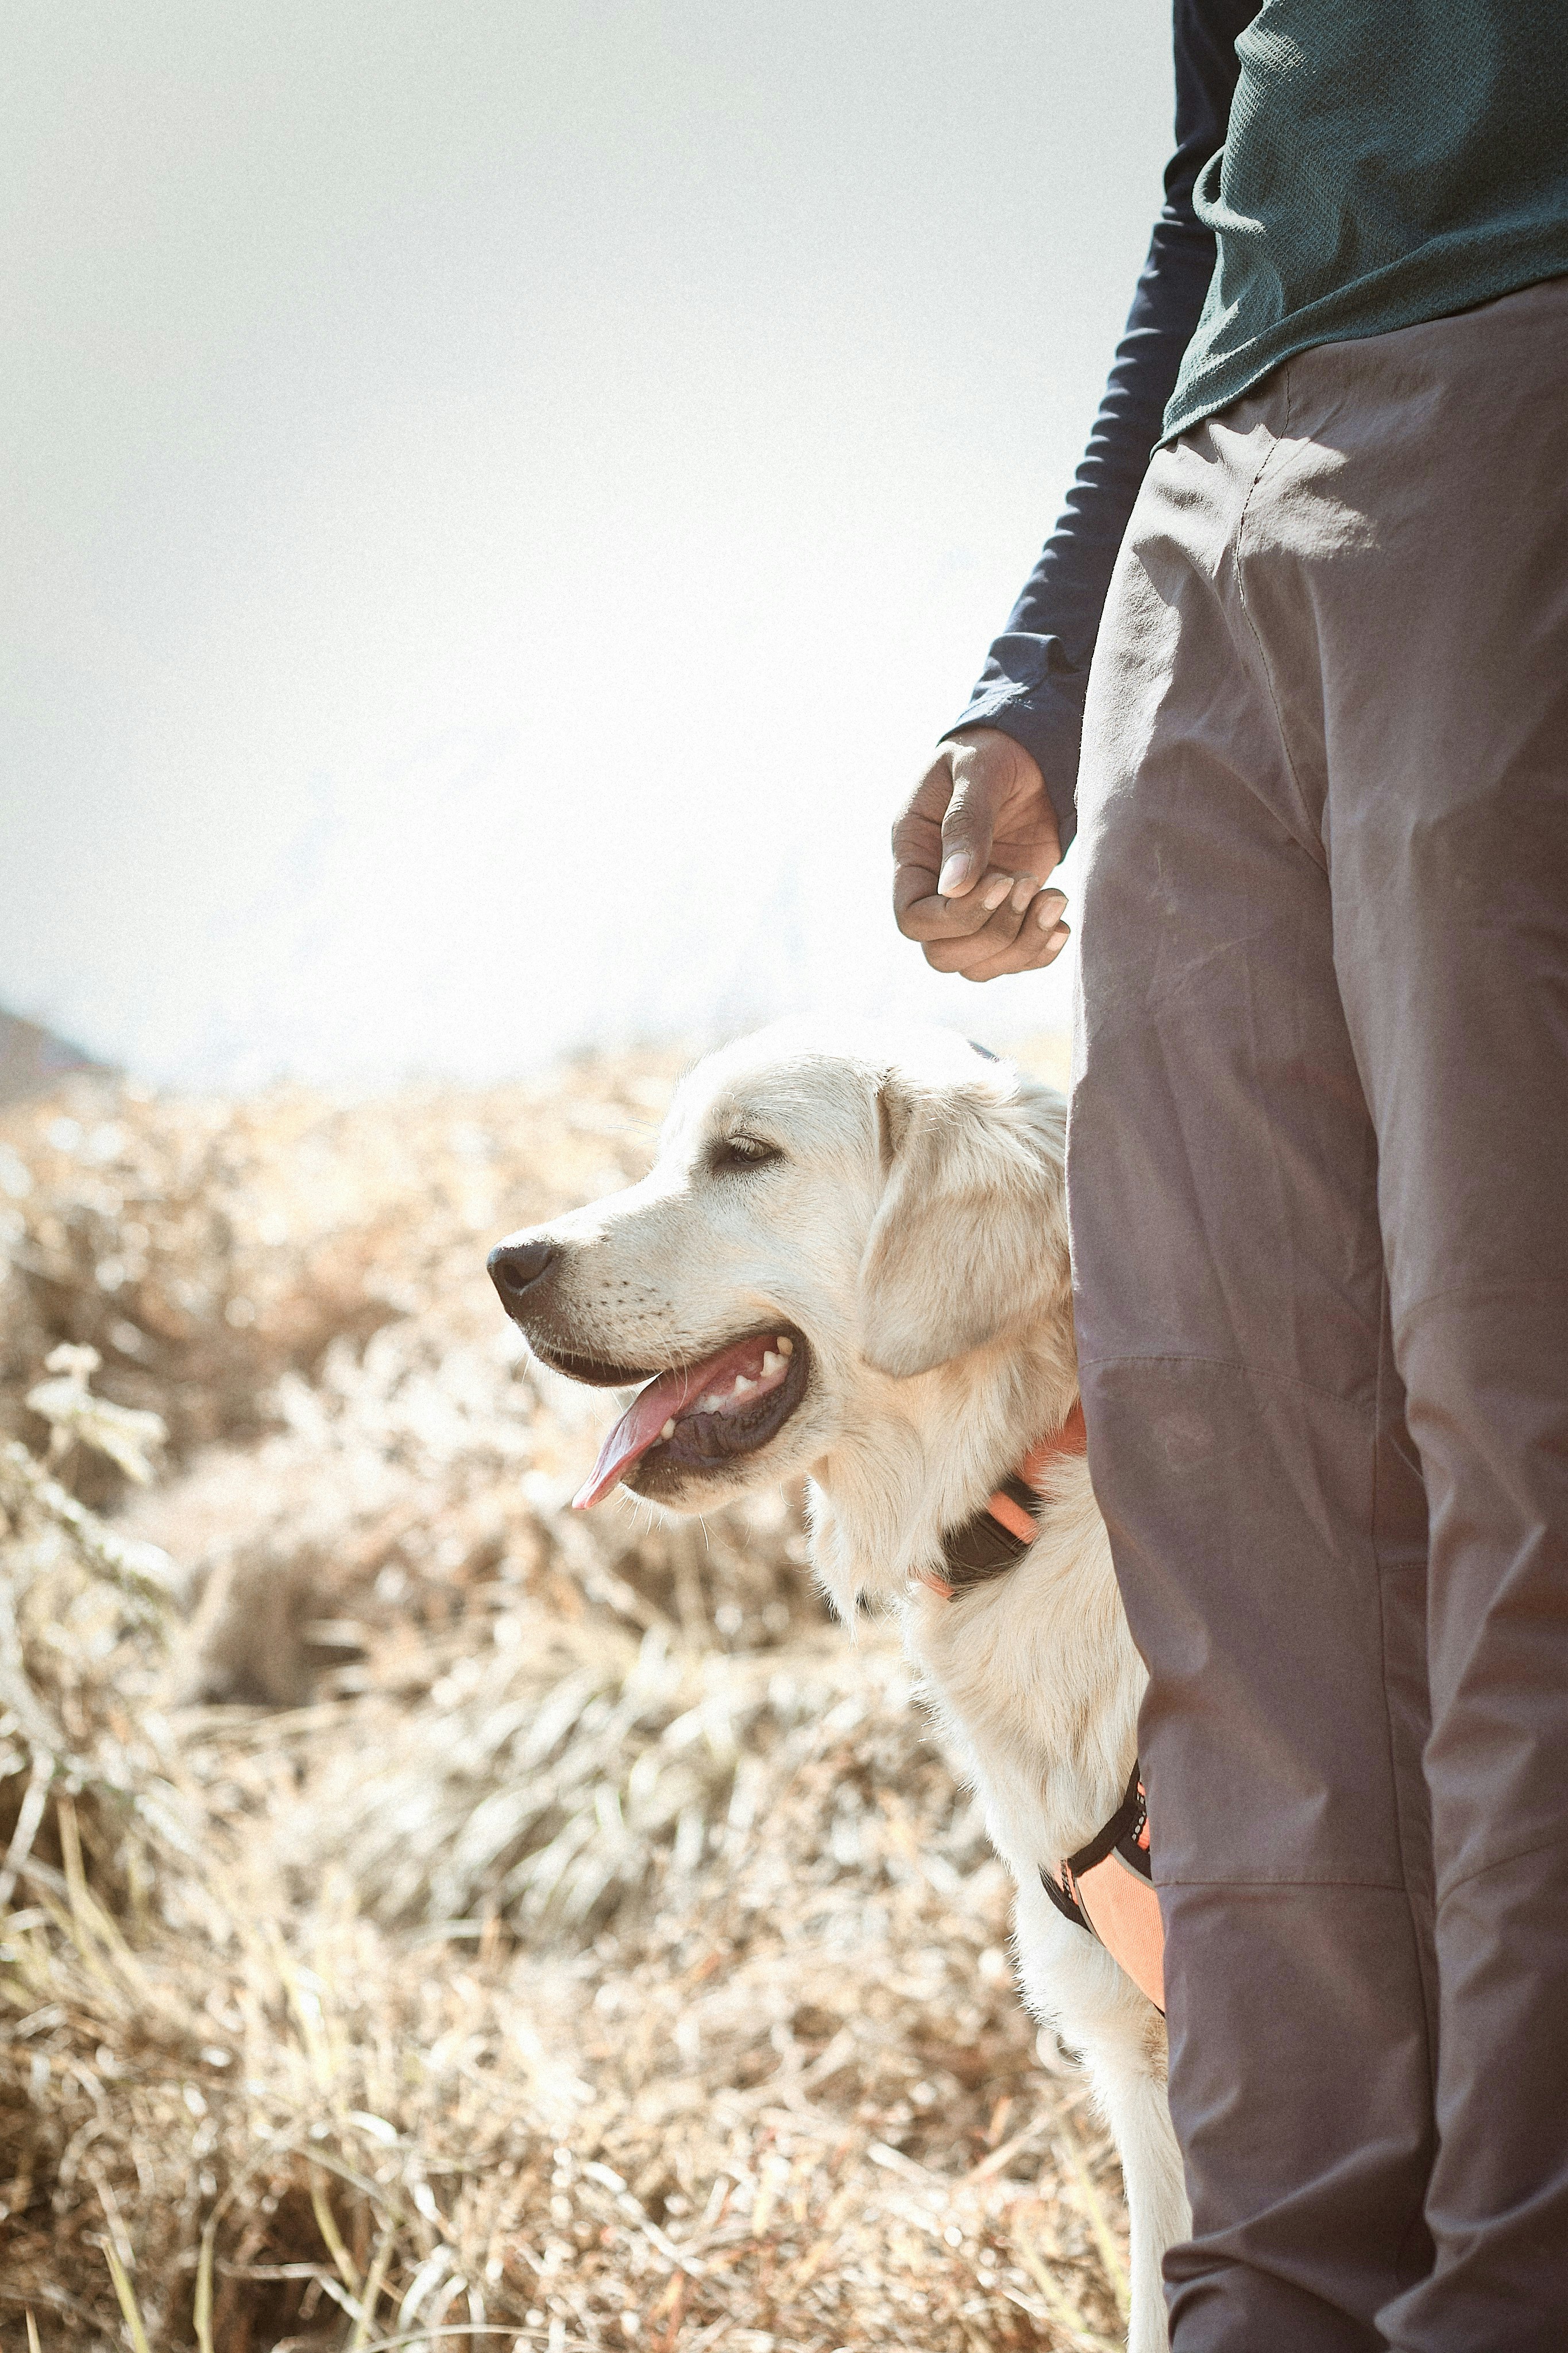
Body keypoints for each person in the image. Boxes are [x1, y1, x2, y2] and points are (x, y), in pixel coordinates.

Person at [891, 5, 1568, 2345]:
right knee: (1221, 1456)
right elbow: (1214, 162)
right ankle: (1273, 2283)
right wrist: (1032, 667)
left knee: (1515, 1397)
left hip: (1528, 385)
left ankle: (1515, 2276)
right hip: (1217, 490)